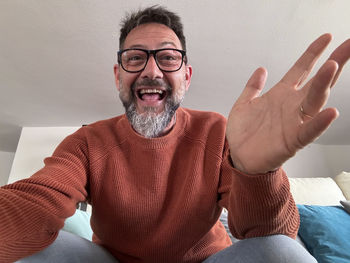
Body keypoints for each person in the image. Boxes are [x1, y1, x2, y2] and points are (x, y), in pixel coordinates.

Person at [1, 5, 350, 263]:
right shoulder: (87, 143)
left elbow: (269, 237)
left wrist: (258, 174)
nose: (151, 71)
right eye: (135, 58)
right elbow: (38, 202)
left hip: (204, 261)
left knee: (286, 254)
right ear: (117, 76)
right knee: (39, 248)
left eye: (168, 58)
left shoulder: (219, 131)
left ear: (186, 76)